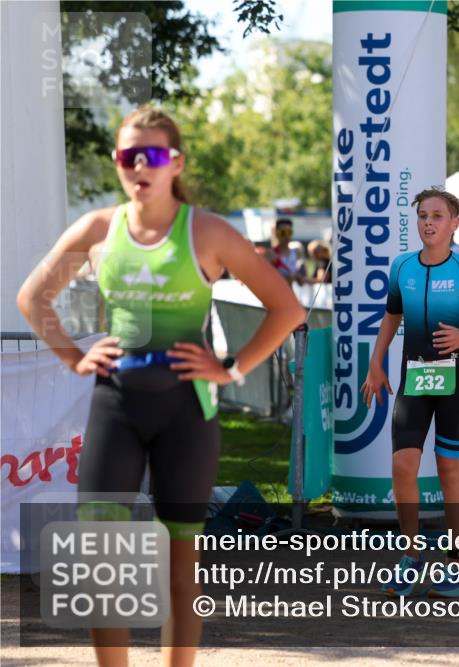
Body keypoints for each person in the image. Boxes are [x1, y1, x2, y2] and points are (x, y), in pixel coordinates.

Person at [16, 106, 304, 667]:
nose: (138, 167)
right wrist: (74, 356)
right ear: (117, 162)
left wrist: (231, 368)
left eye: (151, 155)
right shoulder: (98, 230)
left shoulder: (208, 232)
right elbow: (33, 297)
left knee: (180, 566)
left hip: (185, 415)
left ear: (176, 162)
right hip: (115, 407)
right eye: (128, 156)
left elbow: (287, 308)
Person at [361, 188, 459, 599]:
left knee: (448, 469)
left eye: (437, 216)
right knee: (402, 466)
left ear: (454, 223)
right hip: (415, 378)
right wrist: (376, 362)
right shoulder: (402, 266)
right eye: (423, 215)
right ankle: (410, 556)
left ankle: (457, 562)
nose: (428, 222)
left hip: (455, 379)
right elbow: (391, 316)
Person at [271, 218, 304, 284]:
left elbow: (301, 278)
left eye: (289, 232)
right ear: (276, 233)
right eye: (283, 233)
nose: (286, 236)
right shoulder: (271, 254)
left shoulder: (296, 252)